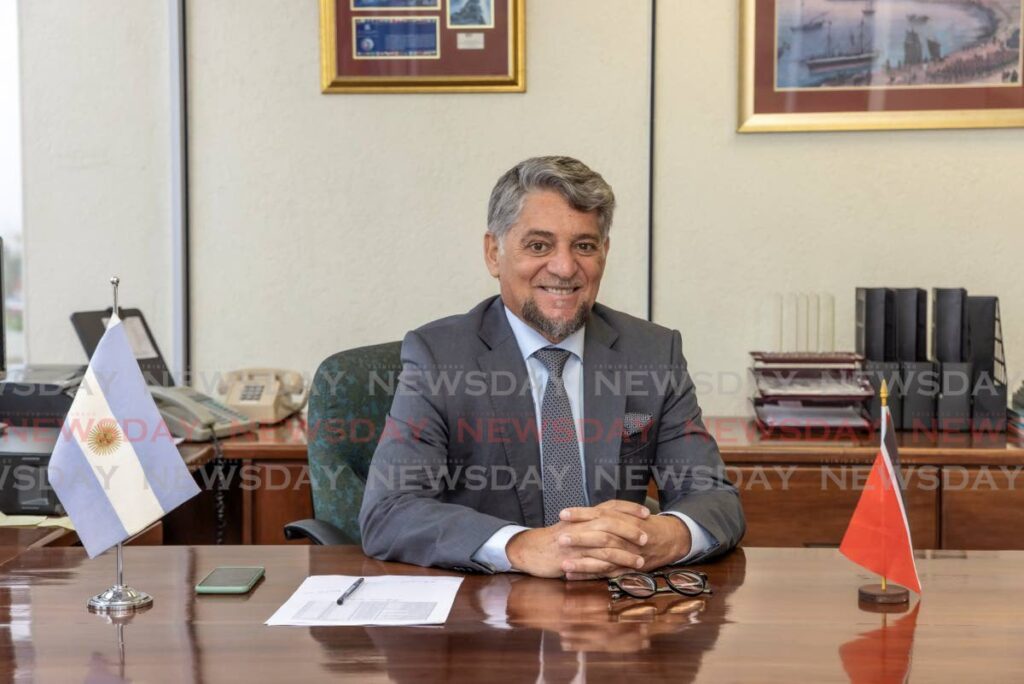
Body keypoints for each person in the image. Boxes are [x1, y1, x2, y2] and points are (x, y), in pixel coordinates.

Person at [359, 156, 744, 579]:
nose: (564, 267)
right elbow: (390, 511)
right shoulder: (439, 357)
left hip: (615, 607)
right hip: (487, 614)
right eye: (539, 246)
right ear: (494, 253)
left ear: (604, 253)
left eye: (584, 246)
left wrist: (662, 538)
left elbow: (714, 498)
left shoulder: (653, 352)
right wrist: (521, 546)